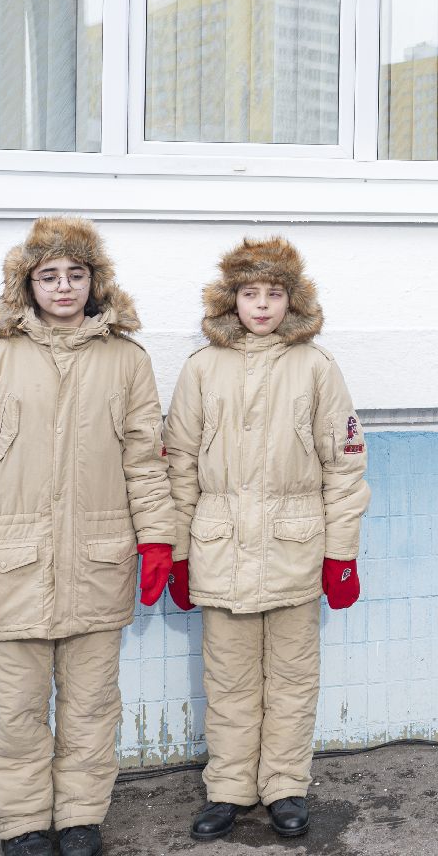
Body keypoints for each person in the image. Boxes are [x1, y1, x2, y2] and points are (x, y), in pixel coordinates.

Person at [0, 216, 175, 856]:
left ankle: (80, 818)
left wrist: (158, 540)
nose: (63, 287)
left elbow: (146, 462)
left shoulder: (127, 360)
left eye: (76, 274)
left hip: (99, 563)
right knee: (14, 710)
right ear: (28, 285)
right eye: (49, 276)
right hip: (13, 569)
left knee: (92, 708)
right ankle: (21, 823)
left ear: (95, 283)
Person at [164, 237, 371, 843]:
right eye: (250, 293)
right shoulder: (202, 368)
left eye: (273, 293)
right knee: (226, 679)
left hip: (295, 549)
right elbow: (178, 465)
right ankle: (228, 788)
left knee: (291, 676)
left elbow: (345, 464)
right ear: (231, 301)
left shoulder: (317, 367)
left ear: (291, 300)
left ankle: (284, 786)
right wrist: (177, 551)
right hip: (221, 549)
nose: (261, 305)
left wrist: (342, 553)